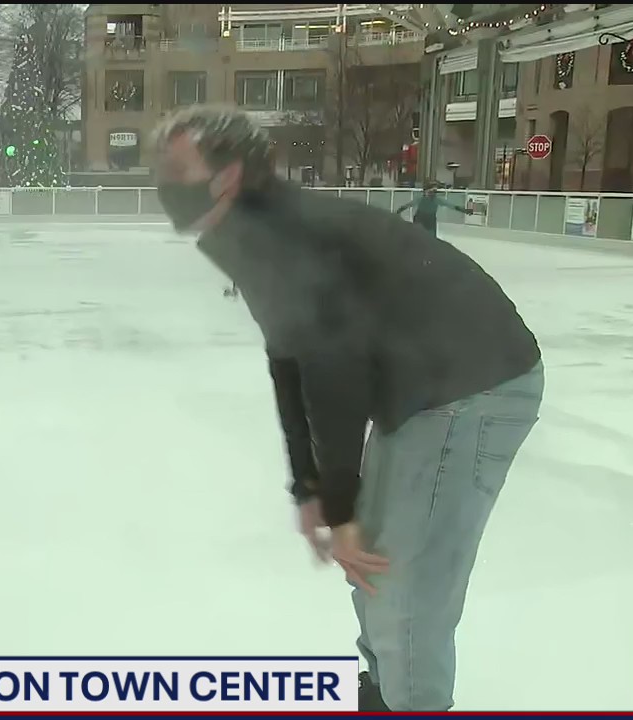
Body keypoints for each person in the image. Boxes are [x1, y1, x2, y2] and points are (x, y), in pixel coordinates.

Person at [151, 106, 544, 712]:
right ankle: (383, 695)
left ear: (226, 175)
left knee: (403, 590)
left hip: (471, 384)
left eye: (176, 165)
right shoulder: (253, 229)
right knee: (373, 572)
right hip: (415, 387)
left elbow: (335, 367)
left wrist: (339, 503)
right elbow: (289, 359)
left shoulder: (286, 232)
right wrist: (308, 487)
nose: (161, 178)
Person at [394, 182, 472, 234]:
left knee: (431, 240)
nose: (432, 194)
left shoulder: (437, 200)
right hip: (420, 219)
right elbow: (409, 205)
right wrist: (400, 210)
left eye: (434, 191)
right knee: (417, 237)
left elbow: (451, 206)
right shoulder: (420, 199)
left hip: (430, 221)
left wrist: (464, 210)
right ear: (425, 191)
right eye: (430, 191)